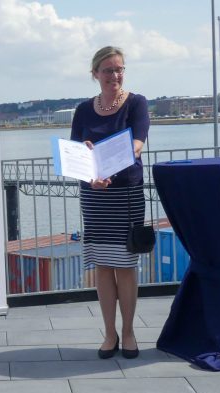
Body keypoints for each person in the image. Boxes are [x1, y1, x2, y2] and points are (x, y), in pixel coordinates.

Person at [71, 46, 150, 360]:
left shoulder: (136, 103)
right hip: (94, 195)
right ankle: (109, 333)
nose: (114, 75)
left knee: (126, 267)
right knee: (103, 266)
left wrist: (106, 169)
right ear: (95, 74)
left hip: (125, 195)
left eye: (119, 69)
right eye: (107, 70)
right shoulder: (82, 109)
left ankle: (128, 331)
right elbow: (77, 151)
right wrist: (88, 162)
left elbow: (137, 144)